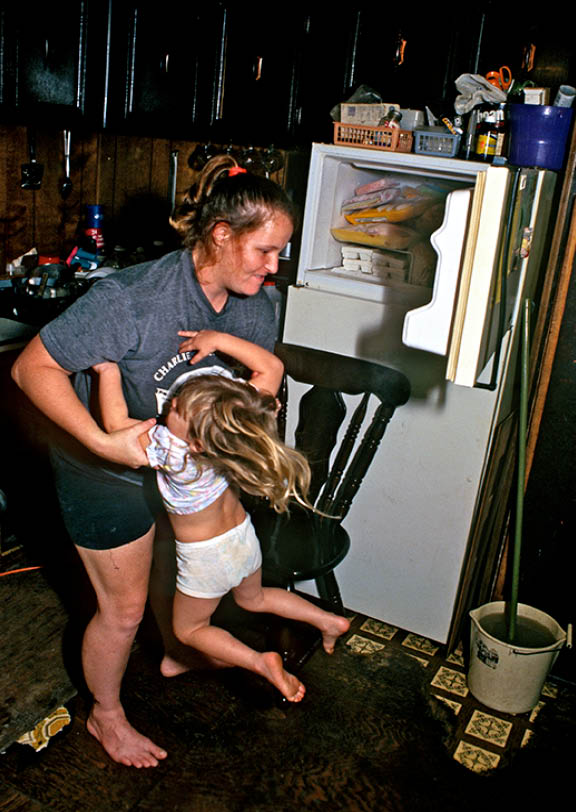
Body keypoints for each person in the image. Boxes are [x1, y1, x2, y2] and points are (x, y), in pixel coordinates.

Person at [11, 155, 297, 768]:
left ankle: (177, 649)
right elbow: (30, 367)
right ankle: (104, 717)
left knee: (185, 565)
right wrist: (99, 441)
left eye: (280, 252)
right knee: (124, 608)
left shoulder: (257, 305)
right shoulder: (133, 298)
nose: (275, 267)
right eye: (265, 251)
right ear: (222, 234)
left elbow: (249, 391)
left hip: (182, 469)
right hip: (105, 468)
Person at [94, 329, 350, 703]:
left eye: (179, 409)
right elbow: (271, 367)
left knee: (190, 629)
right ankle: (328, 620)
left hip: (205, 559)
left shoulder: (174, 452)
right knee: (256, 598)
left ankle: (260, 661)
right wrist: (217, 340)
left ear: (197, 443)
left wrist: (107, 371)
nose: (173, 402)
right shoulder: (237, 432)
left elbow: (116, 425)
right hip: (243, 540)